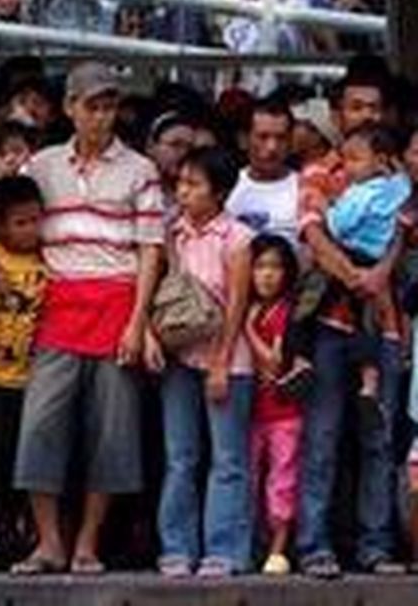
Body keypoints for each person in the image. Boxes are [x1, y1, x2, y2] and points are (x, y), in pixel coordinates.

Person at [12, 61, 163, 576]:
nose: (102, 117)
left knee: (112, 433)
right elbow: (8, 213)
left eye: (109, 107)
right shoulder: (41, 166)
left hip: (117, 303)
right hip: (58, 305)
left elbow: (150, 249)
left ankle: (87, 543)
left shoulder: (140, 169)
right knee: (40, 426)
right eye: (92, 106)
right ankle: (49, 542)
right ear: (70, 108)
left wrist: (138, 322)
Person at [295, 56, 406, 578]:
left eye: (375, 107)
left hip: (386, 326)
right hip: (331, 323)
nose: (366, 115)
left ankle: (375, 547)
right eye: (357, 106)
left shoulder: (400, 175)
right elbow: (313, 234)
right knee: (322, 437)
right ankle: (314, 546)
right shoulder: (319, 170)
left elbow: (407, 231)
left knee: (379, 439)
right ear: (338, 115)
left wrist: (381, 272)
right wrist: (358, 277)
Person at [146, 147, 253, 578]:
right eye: (181, 183)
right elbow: (158, 290)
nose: (183, 192)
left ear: (220, 192)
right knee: (180, 456)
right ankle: (177, 547)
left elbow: (237, 305)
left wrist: (221, 363)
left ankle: (224, 551)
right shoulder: (171, 233)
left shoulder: (237, 238)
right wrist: (151, 335)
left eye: (194, 184)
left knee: (227, 459)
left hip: (228, 359)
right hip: (180, 356)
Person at [290, 125, 410, 422]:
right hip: (375, 260)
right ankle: (369, 383)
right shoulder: (399, 187)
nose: (347, 167)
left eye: (355, 159)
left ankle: (300, 361)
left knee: (306, 306)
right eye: (345, 159)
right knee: (366, 324)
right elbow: (402, 191)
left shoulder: (360, 193)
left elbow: (338, 226)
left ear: (379, 160)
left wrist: (326, 206)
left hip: (349, 257)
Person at [0, 176, 47, 571]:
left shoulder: (49, 260)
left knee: (30, 462)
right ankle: (1, 531)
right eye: (21, 223)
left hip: (34, 379)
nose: (31, 230)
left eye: (36, 221)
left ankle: (26, 530)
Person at [245, 235, 303, 575]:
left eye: (275, 267)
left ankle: (278, 549)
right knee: (250, 478)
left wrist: (247, 328)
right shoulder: (250, 306)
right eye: (260, 266)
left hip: (284, 412)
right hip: (251, 411)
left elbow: (274, 361)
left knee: (282, 479)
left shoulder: (283, 312)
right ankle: (255, 545)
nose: (267, 275)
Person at [226, 98, 300, 247]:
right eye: (263, 137)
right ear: (243, 139)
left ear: (291, 141)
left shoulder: (306, 188)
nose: (272, 147)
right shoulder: (226, 185)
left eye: (281, 138)